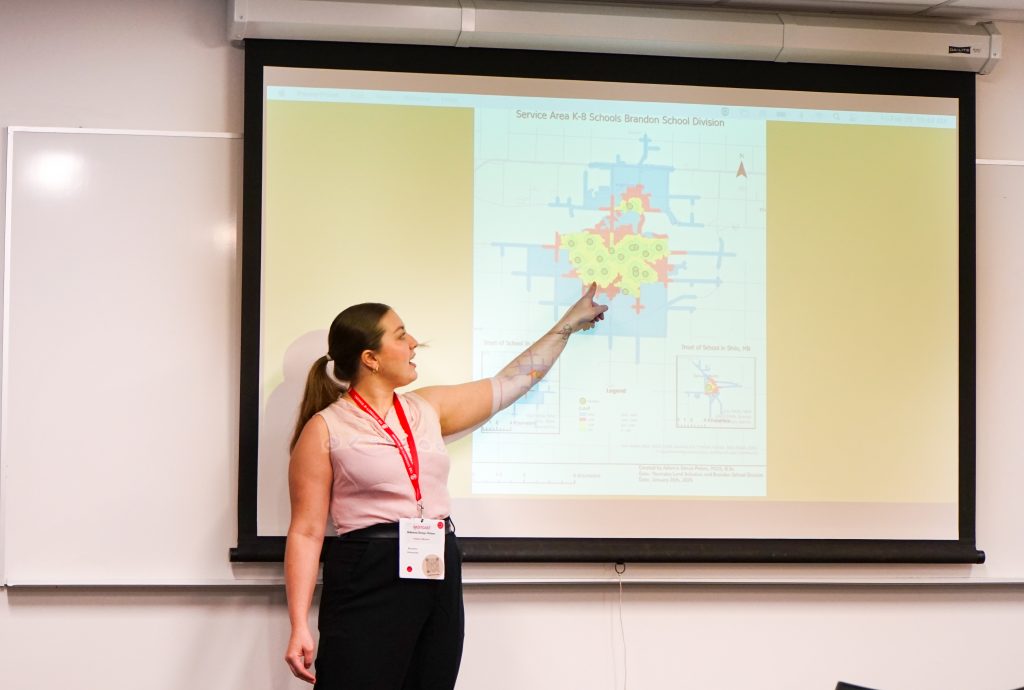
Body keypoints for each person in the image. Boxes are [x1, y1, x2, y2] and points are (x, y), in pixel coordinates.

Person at [284, 283, 608, 689]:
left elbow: (512, 381)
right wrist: (299, 624)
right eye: (401, 336)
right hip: (369, 568)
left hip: (436, 559)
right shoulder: (326, 427)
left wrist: (567, 327)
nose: (414, 342)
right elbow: (307, 531)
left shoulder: (427, 407)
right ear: (371, 359)